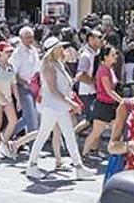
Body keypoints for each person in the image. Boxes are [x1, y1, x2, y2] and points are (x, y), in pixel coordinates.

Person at [26, 37, 94, 180]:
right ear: (53, 50)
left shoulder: (56, 63)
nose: (62, 50)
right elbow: (53, 90)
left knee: (69, 136)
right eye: (60, 48)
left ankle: (79, 167)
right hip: (52, 107)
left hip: (59, 107)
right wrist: (72, 103)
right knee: (43, 136)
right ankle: (31, 165)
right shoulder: (49, 65)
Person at [82, 45, 124, 159]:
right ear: (105, 57)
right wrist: (123, 101)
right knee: (96, 133)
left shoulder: (110, 69)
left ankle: (118, 156)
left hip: (111, 106)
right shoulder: (103, 70)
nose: (115, 56)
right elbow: (109, 91)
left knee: (117, 131)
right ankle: (84, 155)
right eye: (113, 54)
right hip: (103, 106)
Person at [11, 26, 41, 145]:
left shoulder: (34, 50)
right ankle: (33, 147)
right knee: (32, 119)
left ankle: (7, 134)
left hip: (34, 87)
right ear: (21, 38)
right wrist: (25, 83)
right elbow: (13, 73)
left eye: (31, 37)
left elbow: (37, 69)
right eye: (27, 37)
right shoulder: (18, 53)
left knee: (28, 116)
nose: (30, 39)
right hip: (22, 88)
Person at [75, 30, 104, 132]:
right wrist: (93, 82)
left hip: (94, 91)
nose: (102, 40)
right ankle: (71, 137)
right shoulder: (86, 56)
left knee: (95, 120)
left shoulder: (95, 54)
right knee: (90, 119)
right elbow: (80, 76)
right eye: (99, 37)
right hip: (87, 92)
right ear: (91, 39)